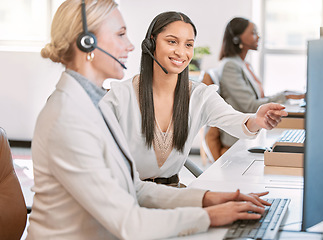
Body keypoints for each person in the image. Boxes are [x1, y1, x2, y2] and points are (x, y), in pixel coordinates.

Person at [26, 1, 275, 239]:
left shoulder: (95, 105)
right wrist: (208, 215)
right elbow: (130, 223)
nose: (132, 46)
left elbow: (133, 187)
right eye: (121, 34)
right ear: (87, 42)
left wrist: (210, 198)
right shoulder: (69, 117)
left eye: (188, 44)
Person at [101, 11, 288, 187]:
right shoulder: (120, 95)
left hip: (174, 195)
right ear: (151, 43)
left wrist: (257, 119)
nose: (181, 53)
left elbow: (234, 120)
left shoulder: (199, 95)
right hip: (125, 195)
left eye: (188, 44)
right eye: (172, 42)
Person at [203, 17, 305, 158]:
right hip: (239, 136)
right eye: (253, 33)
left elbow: (258, 99)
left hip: (252, 131)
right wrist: (284, 96)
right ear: (237, 39)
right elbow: (251, 105)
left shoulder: (245, 64)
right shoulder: (230, 66)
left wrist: (285, 94)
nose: (258, 36)